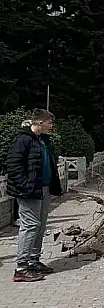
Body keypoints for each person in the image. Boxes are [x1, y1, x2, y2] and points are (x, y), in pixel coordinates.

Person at [7, 109, 64, 282]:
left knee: (40, 225)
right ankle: (21, 267)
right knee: (30, 225)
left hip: (43, 189)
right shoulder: (23, 139)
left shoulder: (41, 140)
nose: (51, 126)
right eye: (50, 123)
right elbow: (13, 165)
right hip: (29, 191)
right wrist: (25, 186)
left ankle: (33, 260)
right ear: (40, 122)